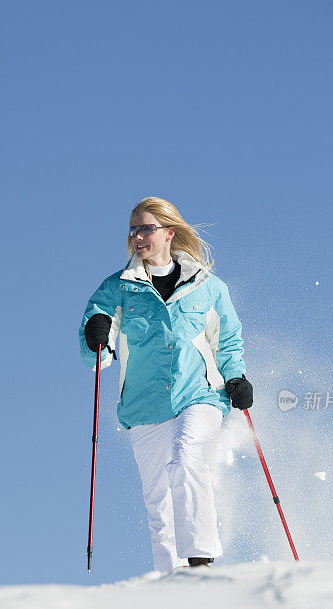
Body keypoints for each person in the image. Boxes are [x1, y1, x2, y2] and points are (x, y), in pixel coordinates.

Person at [79, 197, 252, 571]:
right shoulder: (118, 288)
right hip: (145, 405)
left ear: (169, 233)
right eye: (133, 229)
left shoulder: (208, 285)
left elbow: (228, 337)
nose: (137, 236)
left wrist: (235, 375)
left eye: (146, 228)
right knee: (158, 498)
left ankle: (200, 560)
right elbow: (96, 341)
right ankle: (171, 582)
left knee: (186, 457)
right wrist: (97, 335)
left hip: (199, 394)